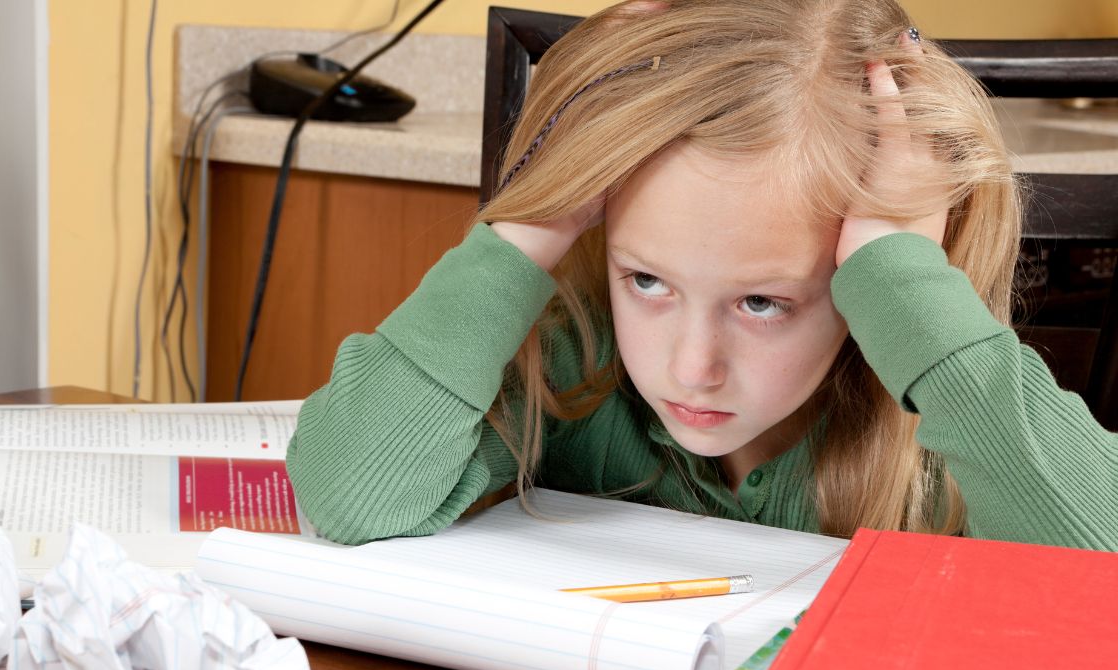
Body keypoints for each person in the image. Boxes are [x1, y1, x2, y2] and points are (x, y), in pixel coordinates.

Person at [286, 0, 1118, 551]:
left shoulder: (941, 434)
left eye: (762, 301)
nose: (690, 368)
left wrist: (906, 285)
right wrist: (528, 227)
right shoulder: (580, 362)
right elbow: (349, 497)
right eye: (646, 281)